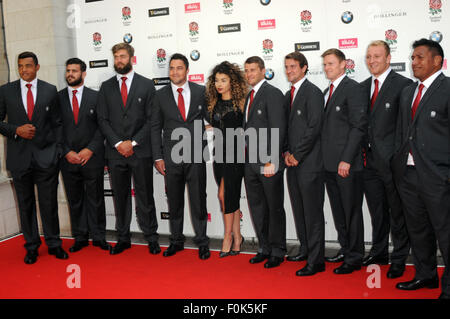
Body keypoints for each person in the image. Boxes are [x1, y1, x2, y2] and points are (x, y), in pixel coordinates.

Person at [392, 38, 450, 300]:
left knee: (445, 233)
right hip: (408, 175)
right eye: (412, 58)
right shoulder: (408, 92)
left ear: (437, 61)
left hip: (438, 177)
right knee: (418, 230)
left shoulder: (447, 89)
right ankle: (425, 275)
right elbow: (403, 133)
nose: (413, 62)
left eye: (419, 57)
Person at [0, 51, 68, 264]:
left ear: (37, 67)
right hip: (19, 159)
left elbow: (57, 124)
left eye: (28, 66)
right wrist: (15, 130)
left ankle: (54, 244)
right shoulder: (6, 91)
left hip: (46, 158)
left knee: (49, 204)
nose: (23, 70)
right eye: (20, 66)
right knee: (25, 204)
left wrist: (56, 152)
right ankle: (31, 246)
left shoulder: (49, 90)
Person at [97, 43, 160, 255]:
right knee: (120, 197)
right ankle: (123, 238)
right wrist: (118, 143)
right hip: (115, 154)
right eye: (116, 57)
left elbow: (152, 120)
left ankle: (151, 236)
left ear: (132, 58)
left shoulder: (146, 85)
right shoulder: (106, 87)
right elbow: (102, 120)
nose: (119, 61)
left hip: (140, 151)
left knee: (145, 196)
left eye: (122, 56)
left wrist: (132, 143)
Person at [360, 41, 412, 278]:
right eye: (369, 56)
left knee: (397, 213)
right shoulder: (362, 87)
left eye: (377, 56)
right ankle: (379, 252)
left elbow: (406, 127)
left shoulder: (404, 85)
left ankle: (400, 258)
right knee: (377, 211)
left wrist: (396, 158)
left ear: (389, 58)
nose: (372, 61)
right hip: (368, 162)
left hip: (393, 164)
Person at [151, 53, 210, 260]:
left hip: (196, 154)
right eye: (172, 68)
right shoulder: (160, 95)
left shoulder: (201, 91)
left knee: (198, 200)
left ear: (187, 70)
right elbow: (155, 127)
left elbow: (211, 118)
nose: (175, 72)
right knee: (174, 201)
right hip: (171, 157)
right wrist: (158, 157)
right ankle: (176, 241)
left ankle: (202, 241)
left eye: (179, 68)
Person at [321, 48, 368, 274]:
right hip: (328, 164)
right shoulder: (326, 91)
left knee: (351, 211)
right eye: (325, 65)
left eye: (331, 64)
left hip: (346, 165)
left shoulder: (354, 89)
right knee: (339, 212)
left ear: (343, 65)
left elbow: (358, 127)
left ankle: (355, 256)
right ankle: (346, 249)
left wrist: (347, 159)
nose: (327, 68)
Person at [58, 58, 110, 253]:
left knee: (96, 198)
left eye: (74, 71)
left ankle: (99, 236)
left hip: (92, 158)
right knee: (75, 199)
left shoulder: (96, 97)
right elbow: (55, 128)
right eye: (68, 70)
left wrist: (91, 148)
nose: (70, 74)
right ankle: (80, 237)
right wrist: (66, 152)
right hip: (68, 159)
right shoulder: (58, 98)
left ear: (84, 73)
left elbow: (102, 126)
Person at [283, 52, 325, 276]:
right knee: (299, 211)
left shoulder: (313, 93)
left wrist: (297, 154)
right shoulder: (287, 94)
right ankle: (306, 249)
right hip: (292, 163)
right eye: (286, 67)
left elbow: (314, 128)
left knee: (312, 213)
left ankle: (317, 260)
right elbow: (285, 129)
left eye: (293, 67)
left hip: (309, 163)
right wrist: (286, 152)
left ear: (304, 68)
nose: (289, 70)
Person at [243, 56, 287, 268]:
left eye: (253, 70)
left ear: (263, 71)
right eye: (247, 70)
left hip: (268, 163)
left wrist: (272, 161)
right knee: (258, 208)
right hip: (250, 164)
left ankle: (277, 251)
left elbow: (278, 129)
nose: (249, 74)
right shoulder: (249, 96)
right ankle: (264, 247)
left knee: (274, 208)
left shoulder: (273, 94)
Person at [205, 61, 246, 257]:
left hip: (236, 156)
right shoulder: (213, 104)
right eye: (216, 81)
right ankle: (238, 237)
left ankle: (227, 236)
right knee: (230, 197)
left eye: (223, 80)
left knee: (225, 195)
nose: (219, 84)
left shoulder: (242, 104)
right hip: (218, 156)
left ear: (233, 82)